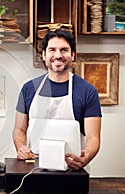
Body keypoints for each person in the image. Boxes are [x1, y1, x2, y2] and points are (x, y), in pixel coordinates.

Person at [13, 29, 102, 170]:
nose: (58, 55)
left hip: (73, 169)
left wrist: (85, 158)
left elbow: (93, 138)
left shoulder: (87, 92)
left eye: (64, 50)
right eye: (52, 50)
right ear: (43, 55)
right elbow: (19, 129)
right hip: (33, 169)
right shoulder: (28, 89)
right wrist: (21, 148)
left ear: (73, 55)